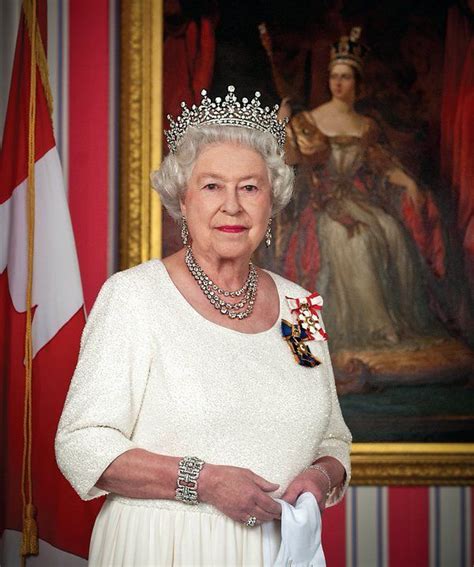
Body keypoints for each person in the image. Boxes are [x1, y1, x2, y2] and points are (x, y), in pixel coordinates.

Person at [55, 86, 351, 566]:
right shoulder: (135, 298)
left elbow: (333, 438)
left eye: (250, 187)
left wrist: (321, 477)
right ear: (183, 200)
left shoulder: (298, 309)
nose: (232, 206)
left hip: (278, 551)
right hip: (166, 547)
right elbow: (81, 444)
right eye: (212, 185)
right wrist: (204, 481)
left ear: (271, 204)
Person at [274, 27, 446, 352]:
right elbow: (287, 158)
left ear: (357, 83)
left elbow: (382, 164)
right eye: (334, 76)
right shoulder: (309, 120)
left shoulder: (366, 126)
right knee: (356, 238)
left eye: (345, 77)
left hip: (358, 200)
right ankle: (375, 326)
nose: (338, 83)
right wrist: (283, 123)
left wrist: (408, 182)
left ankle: (394, 322)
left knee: (392, 230)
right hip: (321, 204)